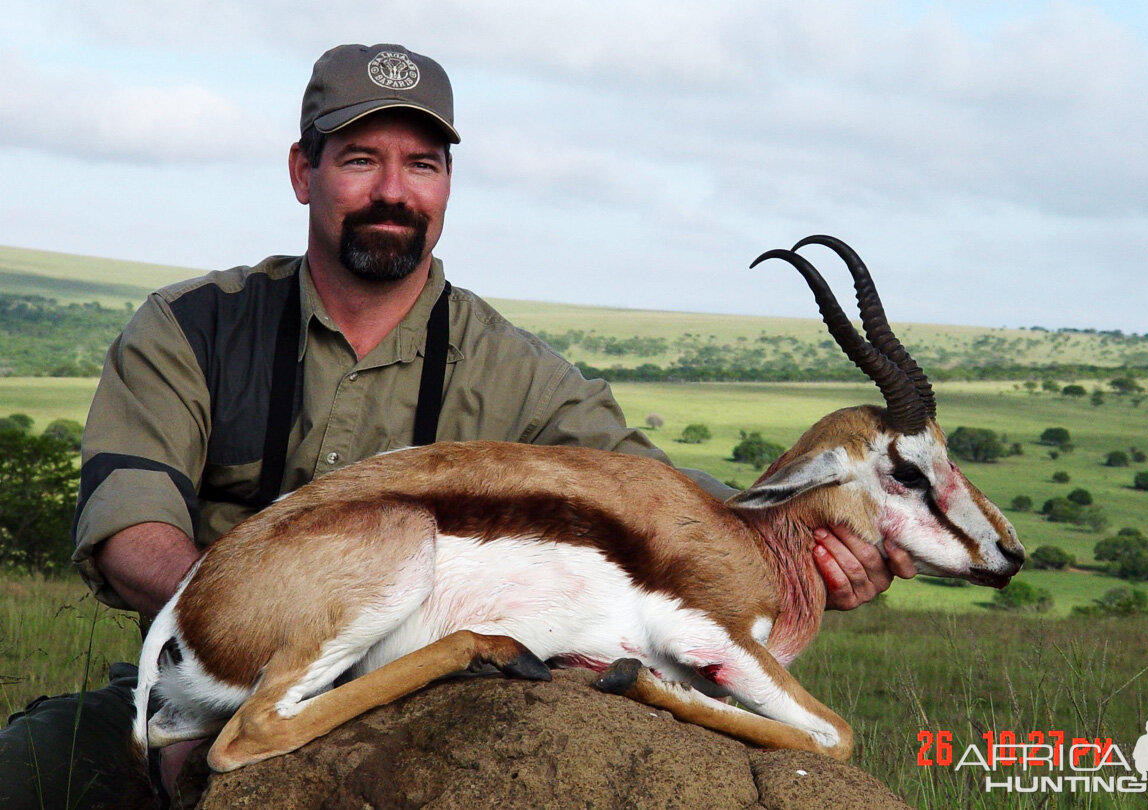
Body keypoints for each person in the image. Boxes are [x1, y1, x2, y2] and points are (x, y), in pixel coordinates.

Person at [0, 43, 913, 808]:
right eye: (360, 159)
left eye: (422, 164)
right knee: (27, 769)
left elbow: (668, 504)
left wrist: (801, 542)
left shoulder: (509, 365)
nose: (393, 190)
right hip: (212, 675)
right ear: (301, 171)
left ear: (446, 186)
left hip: (438, 697)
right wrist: (256, 650)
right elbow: (130, 536)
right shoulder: (191, 326)